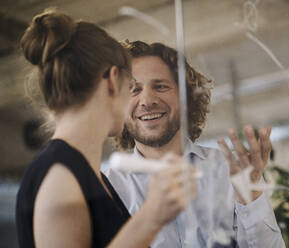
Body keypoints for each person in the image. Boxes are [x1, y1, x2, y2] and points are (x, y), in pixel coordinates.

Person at [16, 10, 196, 248]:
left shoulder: (89, 175)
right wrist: (151, 217)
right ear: (112, 80)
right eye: (130, 86)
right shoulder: (60, 179)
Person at [105, 41, 286, 247]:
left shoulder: (230, 169)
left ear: (186, 97)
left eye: (160, 86)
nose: (147, 100)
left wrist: (251, 195)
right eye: (133, 90)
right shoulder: (108, 188)